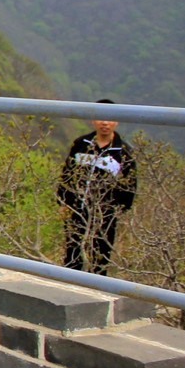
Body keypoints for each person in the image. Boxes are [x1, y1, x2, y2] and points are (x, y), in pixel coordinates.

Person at [57, 99, 138, 275]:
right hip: (77, 209)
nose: (105, 123)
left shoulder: (123, 152)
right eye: (101, 118)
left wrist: (117, 210)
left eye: (109, 119)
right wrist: (63, 202)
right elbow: (67, 174)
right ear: (93, 119)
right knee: (72, 254)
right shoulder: (81, 144)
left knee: (100, 257)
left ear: (116, 121)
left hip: (104, 215)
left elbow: (130, 186)